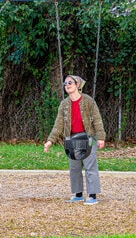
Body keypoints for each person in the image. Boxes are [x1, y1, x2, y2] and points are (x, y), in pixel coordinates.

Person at [44, 75, 106, 205]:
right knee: (74, 168)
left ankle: (92, 195)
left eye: (70, 82)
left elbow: (97, 119)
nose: (67, 85)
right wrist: (50, 140)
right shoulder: (64, 104)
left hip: (88, 137)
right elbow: (58, 124)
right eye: (65, 83)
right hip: (71, 138)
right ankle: (78, 194)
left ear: (78, 85)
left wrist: (101, 137)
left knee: (90, 166)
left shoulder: (88, 101)